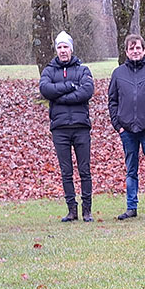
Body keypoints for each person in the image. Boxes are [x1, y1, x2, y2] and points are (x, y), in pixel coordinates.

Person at [107, 34, 145, 220]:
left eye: (138, 48)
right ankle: (131, 207)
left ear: (143, 50)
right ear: (126, 51)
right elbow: (112, 101)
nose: (135, 51)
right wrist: (118, 125)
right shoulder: (118, 74)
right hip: (127, 130)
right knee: (131, 170)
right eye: (131, 48)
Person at [39, 31, 94, 223]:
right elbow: (45, 89)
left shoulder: (83, 70)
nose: (63, 51)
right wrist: (71, 86)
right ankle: (72, 210)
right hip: (59, 128)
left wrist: (60, 97)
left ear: (71, 49)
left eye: (66, 47)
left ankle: (87, 210)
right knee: (66, 171)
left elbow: (87, 91)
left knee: (85, 170)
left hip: (81, 127)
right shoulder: (49, 70)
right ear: (56, 50)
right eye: (60, 47)